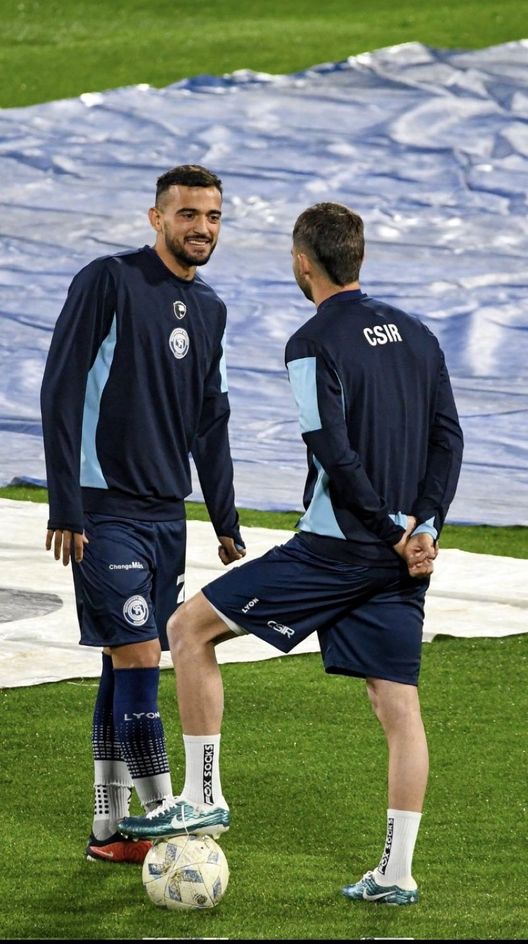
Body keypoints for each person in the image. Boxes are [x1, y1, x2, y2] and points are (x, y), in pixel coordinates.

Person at [118, 201, 463, 905]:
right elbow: (448, 440)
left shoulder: (311, 341)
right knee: (398, 708)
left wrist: (388, 527)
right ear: (359, 258)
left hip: (338, 549)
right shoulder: (421, 336)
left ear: (304, 264)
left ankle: (203, 793)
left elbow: (330, 446)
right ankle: (395, 873)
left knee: (187, 629)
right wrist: (423, 526)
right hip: (402, 557)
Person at [40, 164, 246, 865]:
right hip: (103, 509)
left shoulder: (211, 309)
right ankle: (166, 819)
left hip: (167, 514)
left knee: (121, 662)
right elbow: (61, 387)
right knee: (140, 654)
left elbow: (211, 422)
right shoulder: (110, 281)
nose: (202, 228)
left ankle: (110, 823)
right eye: (187, 215)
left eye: (213, 216)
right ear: (156, 218)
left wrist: (224, 518)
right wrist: (64, 501)